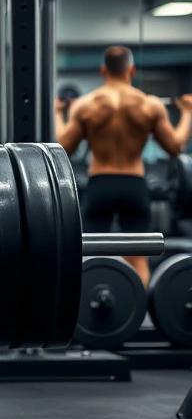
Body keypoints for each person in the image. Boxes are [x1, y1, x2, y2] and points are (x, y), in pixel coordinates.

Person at [55, 45, 192, 287]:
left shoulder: (85, 105)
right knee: (138, 258)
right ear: (131, 70)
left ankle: (92, 312)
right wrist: (188, 113)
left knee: (91, 254)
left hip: (100, 184)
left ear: (102, 70)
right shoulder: (149, 105)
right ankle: (137, 313)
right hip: (134, 185)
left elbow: (63, 147)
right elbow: (175, 147)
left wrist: (58, 113)